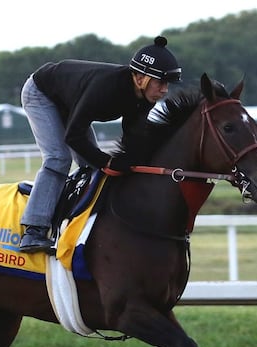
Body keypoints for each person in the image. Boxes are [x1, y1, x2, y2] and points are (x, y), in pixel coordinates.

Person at [18, 35, 182, 253]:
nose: (164, 90)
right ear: (141, 78)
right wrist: (108, 161)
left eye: (167, 84)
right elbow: (73, 137)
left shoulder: (144, 99)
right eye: (160, 83)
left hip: (71, 99)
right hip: (41, 93)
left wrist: (131, 163)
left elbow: (134, 138)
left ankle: (79, 216)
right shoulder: (106, 88)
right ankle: (34, 231)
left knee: (90, 164)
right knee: (59, 158)